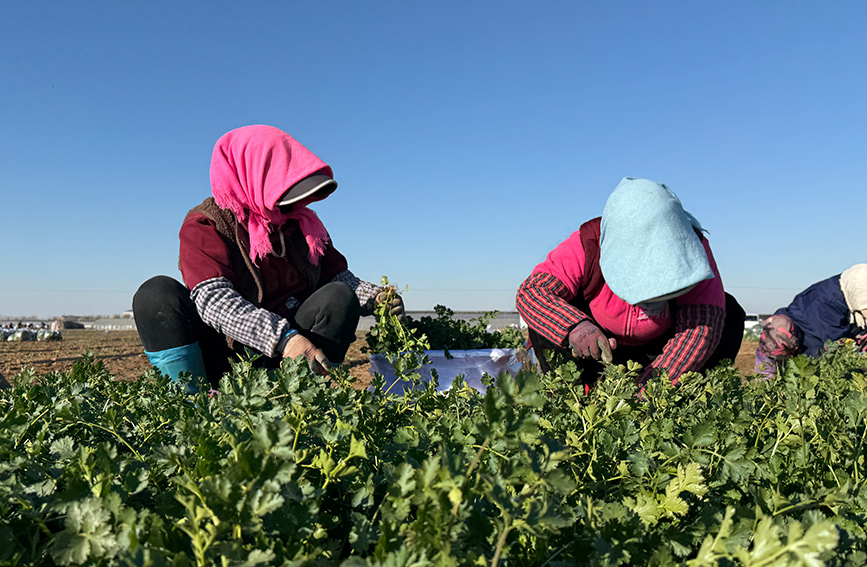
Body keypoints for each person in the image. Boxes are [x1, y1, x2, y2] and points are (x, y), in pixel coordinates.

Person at [133, 125, 404, 391]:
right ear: (251, 174)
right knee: (156, 295)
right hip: (225, 358)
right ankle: (192, 406)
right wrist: (283, 338)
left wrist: (376, 297)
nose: (296, 204)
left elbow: (335, 276)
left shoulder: (302, 224)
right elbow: (213, 300)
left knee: (339, 295)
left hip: (292, 361)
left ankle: (303, 401)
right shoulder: (207, 224)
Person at [516, 177, 745, 388]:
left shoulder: (693, 251)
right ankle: (571, 400)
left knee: (729, 313)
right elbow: (531, 293)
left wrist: (648, 390)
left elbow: (699, 329)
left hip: (658, 352)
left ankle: (688, 406)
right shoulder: (588, 244)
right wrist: (577, 328)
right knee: (545, 325)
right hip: (599, 349)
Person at [755, 264, 867, 378]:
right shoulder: (827, 300)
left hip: (823, 345)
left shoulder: (853, 295)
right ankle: (766, 376)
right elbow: (827, 342)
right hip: (801, 343)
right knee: (779, 327)